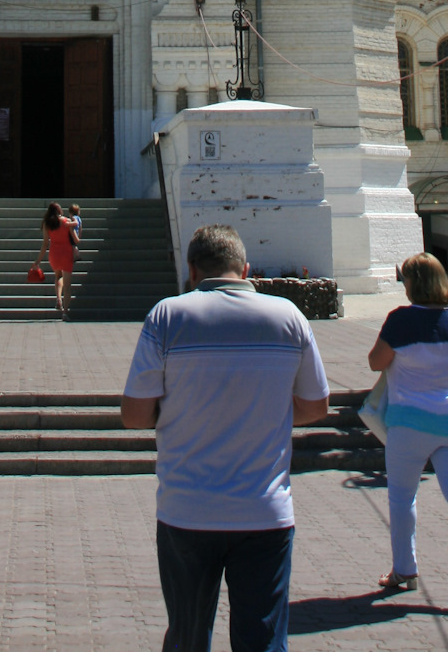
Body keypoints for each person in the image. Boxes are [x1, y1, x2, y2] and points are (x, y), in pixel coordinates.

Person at [121, 223, 329, 652]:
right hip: (265, 513)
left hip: (187, 510)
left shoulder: (167, 315)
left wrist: (182, 411)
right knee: (264, 641)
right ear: (246, 268)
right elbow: (315, 406)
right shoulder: (288, 316)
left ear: (192, 270)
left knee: (187, 637)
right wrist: (264, 411)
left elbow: (134, 414)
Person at [367, 251, 448, 612]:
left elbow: (374, 361)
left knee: (402, 496)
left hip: (410, 422)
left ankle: (404, 570)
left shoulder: (401, 321)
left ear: (413, 284)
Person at [40, 201, 79, 316]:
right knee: (67, 285)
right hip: (66, 253)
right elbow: (76, 236)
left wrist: (37, 261)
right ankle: (65, 312)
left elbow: (45, 243)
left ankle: (58, 299)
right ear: (59, 211)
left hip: (54, 253)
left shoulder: (48, 224)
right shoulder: (66, 221)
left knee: (58, 276)